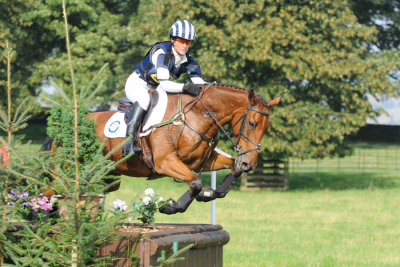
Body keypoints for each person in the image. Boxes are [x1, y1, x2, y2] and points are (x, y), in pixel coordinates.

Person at [122, 20, 206, 156]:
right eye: (181, 41)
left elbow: (200, 84)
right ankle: (128, 144)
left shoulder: (190, 61)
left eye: (188, 42)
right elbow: (166, 85)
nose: (184, 46)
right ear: (172, 40)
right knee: (144, 100)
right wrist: (186, 87)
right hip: (137, 83)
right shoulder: (162, 54)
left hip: (156, 89)